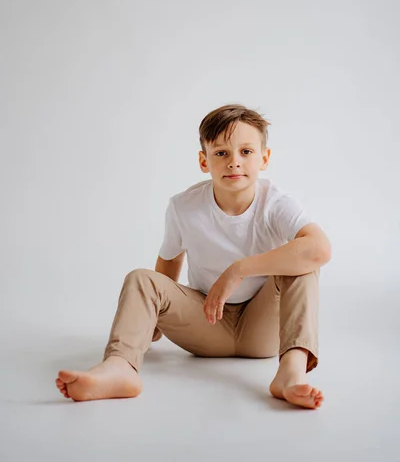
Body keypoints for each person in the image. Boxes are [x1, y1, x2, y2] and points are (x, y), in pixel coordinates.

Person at [55, 103, 331, 409]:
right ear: (204, 161)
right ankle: (121, 368)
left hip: (263, 330)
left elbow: (320, 248)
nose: (234, 162)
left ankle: (290, 374)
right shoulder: (184, 206)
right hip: (207, 323)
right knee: (141, 278)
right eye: (221, 153)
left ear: (264, 158)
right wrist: (152, 322)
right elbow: (167, 267)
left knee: (302, 263)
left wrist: (238, 269)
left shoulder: (276, 203)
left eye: (246, 152)